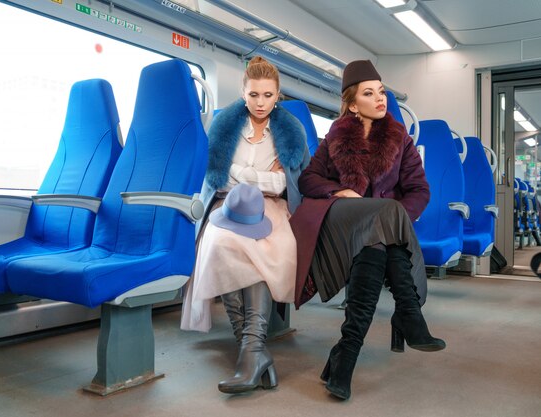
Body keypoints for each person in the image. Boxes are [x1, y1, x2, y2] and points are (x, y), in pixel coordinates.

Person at [290, 59, 446, 400]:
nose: (381, 99)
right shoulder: (335, 135)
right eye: (369, 93)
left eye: (381, 91)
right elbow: (309, 179)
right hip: (343, 224)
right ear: (351, 103)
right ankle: (409, 314)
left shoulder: (399, 139)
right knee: (381, 221)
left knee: (378, 237)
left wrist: (392, 217)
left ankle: (346, 355)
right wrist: (338, 191)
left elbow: (420, 190)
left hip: (379, 234)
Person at [180, 56, 310, 394]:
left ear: (278, 94)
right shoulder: (224, 126)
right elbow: (218, 181)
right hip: (228, 207)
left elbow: (284, 186)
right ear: (243, 91)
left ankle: (251, 352)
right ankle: (252, 350)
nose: (261, 103)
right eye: (254, 95)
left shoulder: (289, 131)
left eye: (268, 95)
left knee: (260, 249)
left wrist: (241, 175)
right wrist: (260, 177)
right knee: (219, 243)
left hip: (272, 210)